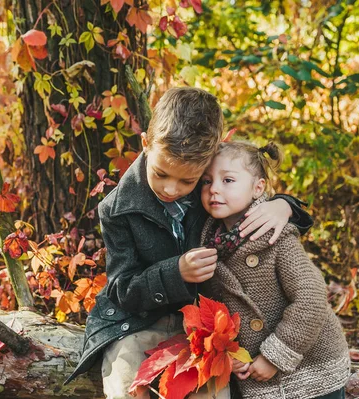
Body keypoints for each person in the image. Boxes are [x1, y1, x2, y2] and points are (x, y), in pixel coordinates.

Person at [64, 87, 313, 399]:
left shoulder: (211, 189)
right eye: (161, 173)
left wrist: (283, 205)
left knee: (213, 389)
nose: (171, 189)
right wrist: (175, 272)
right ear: (145, 144)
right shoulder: (117, 210)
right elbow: (122, 289)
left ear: (209, 162)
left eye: (187, 181)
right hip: (138, 322)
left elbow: (250, 191)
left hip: (203, 326)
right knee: (125, 374)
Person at [200, 141, 351, 399]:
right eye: (206, 181)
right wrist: (232, 355)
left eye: (228, 180)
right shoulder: (209, 244)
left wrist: (275, 357)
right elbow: (220, 317)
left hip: (312, 368)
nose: (214, 189)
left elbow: (311, 298)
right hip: (258, 378)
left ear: (258, 188)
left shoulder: (275, 236)